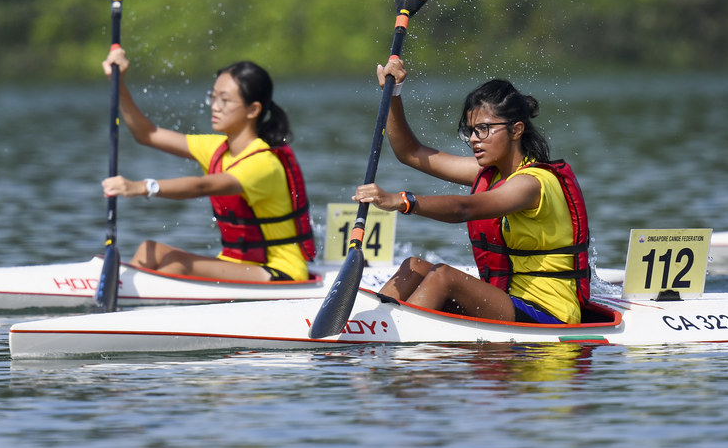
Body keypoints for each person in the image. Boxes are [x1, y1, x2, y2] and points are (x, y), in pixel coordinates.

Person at [352, 57, 590, 324]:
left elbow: (464, 209)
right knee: (414, 266)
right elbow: (410, 152)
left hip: (549, 312)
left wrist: (402, 201)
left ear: (516, 130)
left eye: (484, 129)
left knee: (444, 277)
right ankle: (368, 328)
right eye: (471, 131)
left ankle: (390, 339)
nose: (474, 139)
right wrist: (393, 93)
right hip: (509, 300)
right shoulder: (493, 174)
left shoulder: (532, 184)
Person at [100, 46, 315, 281]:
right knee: (148, 249)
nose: (214, 106)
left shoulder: (264, 163)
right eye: (213, 97)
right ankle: (122, 301)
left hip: (280, 271)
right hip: (237, 263)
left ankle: (137, 309)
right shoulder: (215, 148)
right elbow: (146, 133)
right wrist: (117, 83)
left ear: (253, 110)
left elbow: (202, 187)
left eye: (224, 100)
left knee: (177, 264)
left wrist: (142, 187)